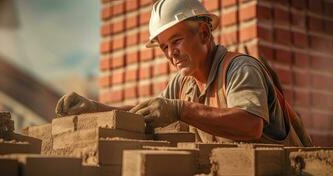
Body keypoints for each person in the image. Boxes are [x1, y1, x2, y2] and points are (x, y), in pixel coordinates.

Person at [55, 0, 312, 146]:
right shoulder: (183, 83)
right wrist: (94, 108)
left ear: (203, 32)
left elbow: (250, 125)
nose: (170, 53)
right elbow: (147, 112)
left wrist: (180, 110)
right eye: (164, 47)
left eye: (176, 41)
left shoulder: (240, 69)